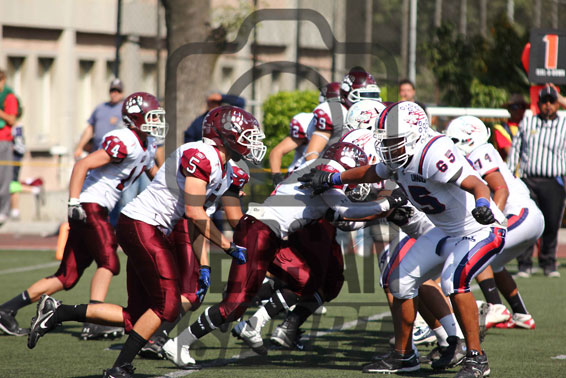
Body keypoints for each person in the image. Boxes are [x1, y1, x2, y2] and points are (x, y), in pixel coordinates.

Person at [26, 105, 264, 378]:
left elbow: (198, 223)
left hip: (150, 228)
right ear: (225, 135)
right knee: (168, 304)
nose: (251, 141)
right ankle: (120, 368)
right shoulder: (201, 154)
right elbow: (194, 212)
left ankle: (57, 313)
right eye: (246, 134)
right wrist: (229, 246)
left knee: (136, 315)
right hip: (142, 224)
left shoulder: (225, 171)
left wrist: (205, 265)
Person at [299, 101, 507, 376]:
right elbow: (373, 171)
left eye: (394, 141)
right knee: (400, 280)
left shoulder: (433, 152)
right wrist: (333, 179)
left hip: (480, 228)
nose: (388, 147)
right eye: (386, 141)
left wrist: (482, 204)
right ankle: (404, 355)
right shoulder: (399, 156)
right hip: (445, 231)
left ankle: (477, 357)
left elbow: (477, 184)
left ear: (415, 135)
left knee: (453, 280)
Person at [162, 142, 406, 368]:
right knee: (234, 306)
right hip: (259, 232)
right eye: (356, 171)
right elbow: (346, 209)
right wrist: (387, 205)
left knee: (306, 280)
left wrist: (382, 213)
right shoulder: (327, 170)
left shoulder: (318, 170)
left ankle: (253, 322)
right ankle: (180, 342)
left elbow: (343, 218)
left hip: (269, 234)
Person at [0, 92, 163, 340]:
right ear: (135, 118)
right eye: (151, 116)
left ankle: (6, 309)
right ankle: (94, 322)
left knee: (67, 276)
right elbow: (82, 164)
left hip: (97, 206)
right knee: (110, 261)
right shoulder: (125, 139)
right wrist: (73, 201)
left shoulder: (147, 144)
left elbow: (157, 178)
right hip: (90, 204)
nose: (156, 122)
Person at [446, 116, 544, 330]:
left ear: (467, 140)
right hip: (527, 215)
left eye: (454, 140)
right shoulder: (480, 151)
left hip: (519, 213)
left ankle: (496, 308)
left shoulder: (480, 151)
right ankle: (521, 314)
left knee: (477, 248)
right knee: (495, 264)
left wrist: (490, 223)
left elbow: (501, 189)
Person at [508, 86, 566, 278]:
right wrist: (510, 175)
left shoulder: (564, 123)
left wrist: (561, 97)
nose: (548, 105)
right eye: (545, 101)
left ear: (557, 103)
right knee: (528, 222)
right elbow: (516, 147)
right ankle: (525, 263)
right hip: (529, 180)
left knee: (551, 223)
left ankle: (548, 262)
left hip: (553, 180)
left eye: (552, 101)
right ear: (538, 103)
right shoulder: (529, 121)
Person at [74, 78, 125, 160]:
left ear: (122, 93)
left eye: (118, 91)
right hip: (97, 149)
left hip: (115, 153)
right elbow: (90, 128)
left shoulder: (125, 109)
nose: (115, 94)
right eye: (112, 91)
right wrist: (80, 147)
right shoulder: (100, 107)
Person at [0, 69, 19, 225]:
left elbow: (12, 119)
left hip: (3, 140)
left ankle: (4, 211)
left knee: (4, 177)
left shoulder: (9, 97)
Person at [492, 94, 527, 160]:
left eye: (522, 107)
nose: (518, 110)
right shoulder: (501, 129)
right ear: (509, 109)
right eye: (515, 107)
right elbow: (510, 153)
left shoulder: (529, 127)